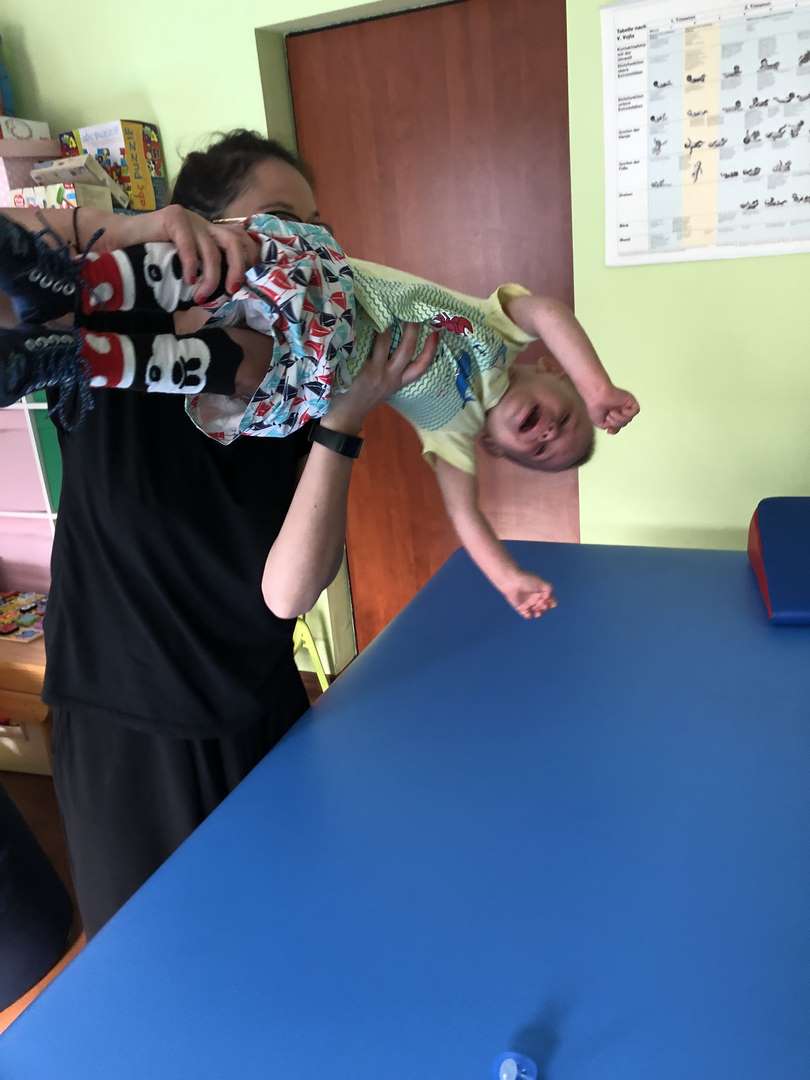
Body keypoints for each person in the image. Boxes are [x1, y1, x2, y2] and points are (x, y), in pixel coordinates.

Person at [0, 131, 437, 937]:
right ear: (204, 230)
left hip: (261, 713)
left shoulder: (306, 378)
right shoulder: (117, 311)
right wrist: (137, 227)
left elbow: (288, 595)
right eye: (280, 220)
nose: (304, 246)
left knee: (285, 934)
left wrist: (341, 425)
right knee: (153, 954)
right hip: (124, 725)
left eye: (318, 227)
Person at [0, 164, 638, 619]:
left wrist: (509, 579)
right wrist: (599, 387)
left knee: (264, 382)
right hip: (311, 288)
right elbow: (550, 312)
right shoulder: (501, 330)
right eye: (566, 419)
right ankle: (73, 281)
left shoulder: (454, 435)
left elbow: (467, 518)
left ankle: (80, 359)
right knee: (245, 257)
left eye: (541, 451)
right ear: (552, 373)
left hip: (310, 357)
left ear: (498, 450)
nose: (548, 433)